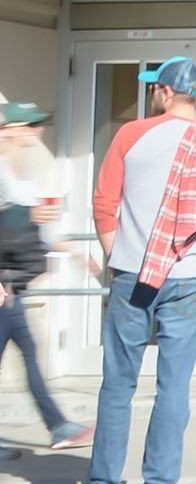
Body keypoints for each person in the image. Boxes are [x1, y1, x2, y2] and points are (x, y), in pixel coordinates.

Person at [86, 56, 196, 484]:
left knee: (118, 384)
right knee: (173, 387)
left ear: (167, 92)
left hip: (132, 274)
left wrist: (117, 256)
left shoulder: (131, 135)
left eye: (155, 86)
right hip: (186, 277)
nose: (152, 92)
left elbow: (104, 204)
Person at [1, 99, 90, 451]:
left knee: (30, 352)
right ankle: (59, 427)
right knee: (29, 353)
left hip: (14, 286)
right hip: (4, 285)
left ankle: (59, 427)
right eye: (31, 125)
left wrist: (75, 252)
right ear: (13, 130)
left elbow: (37, 231)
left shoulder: (21, 171)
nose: (37, 131)